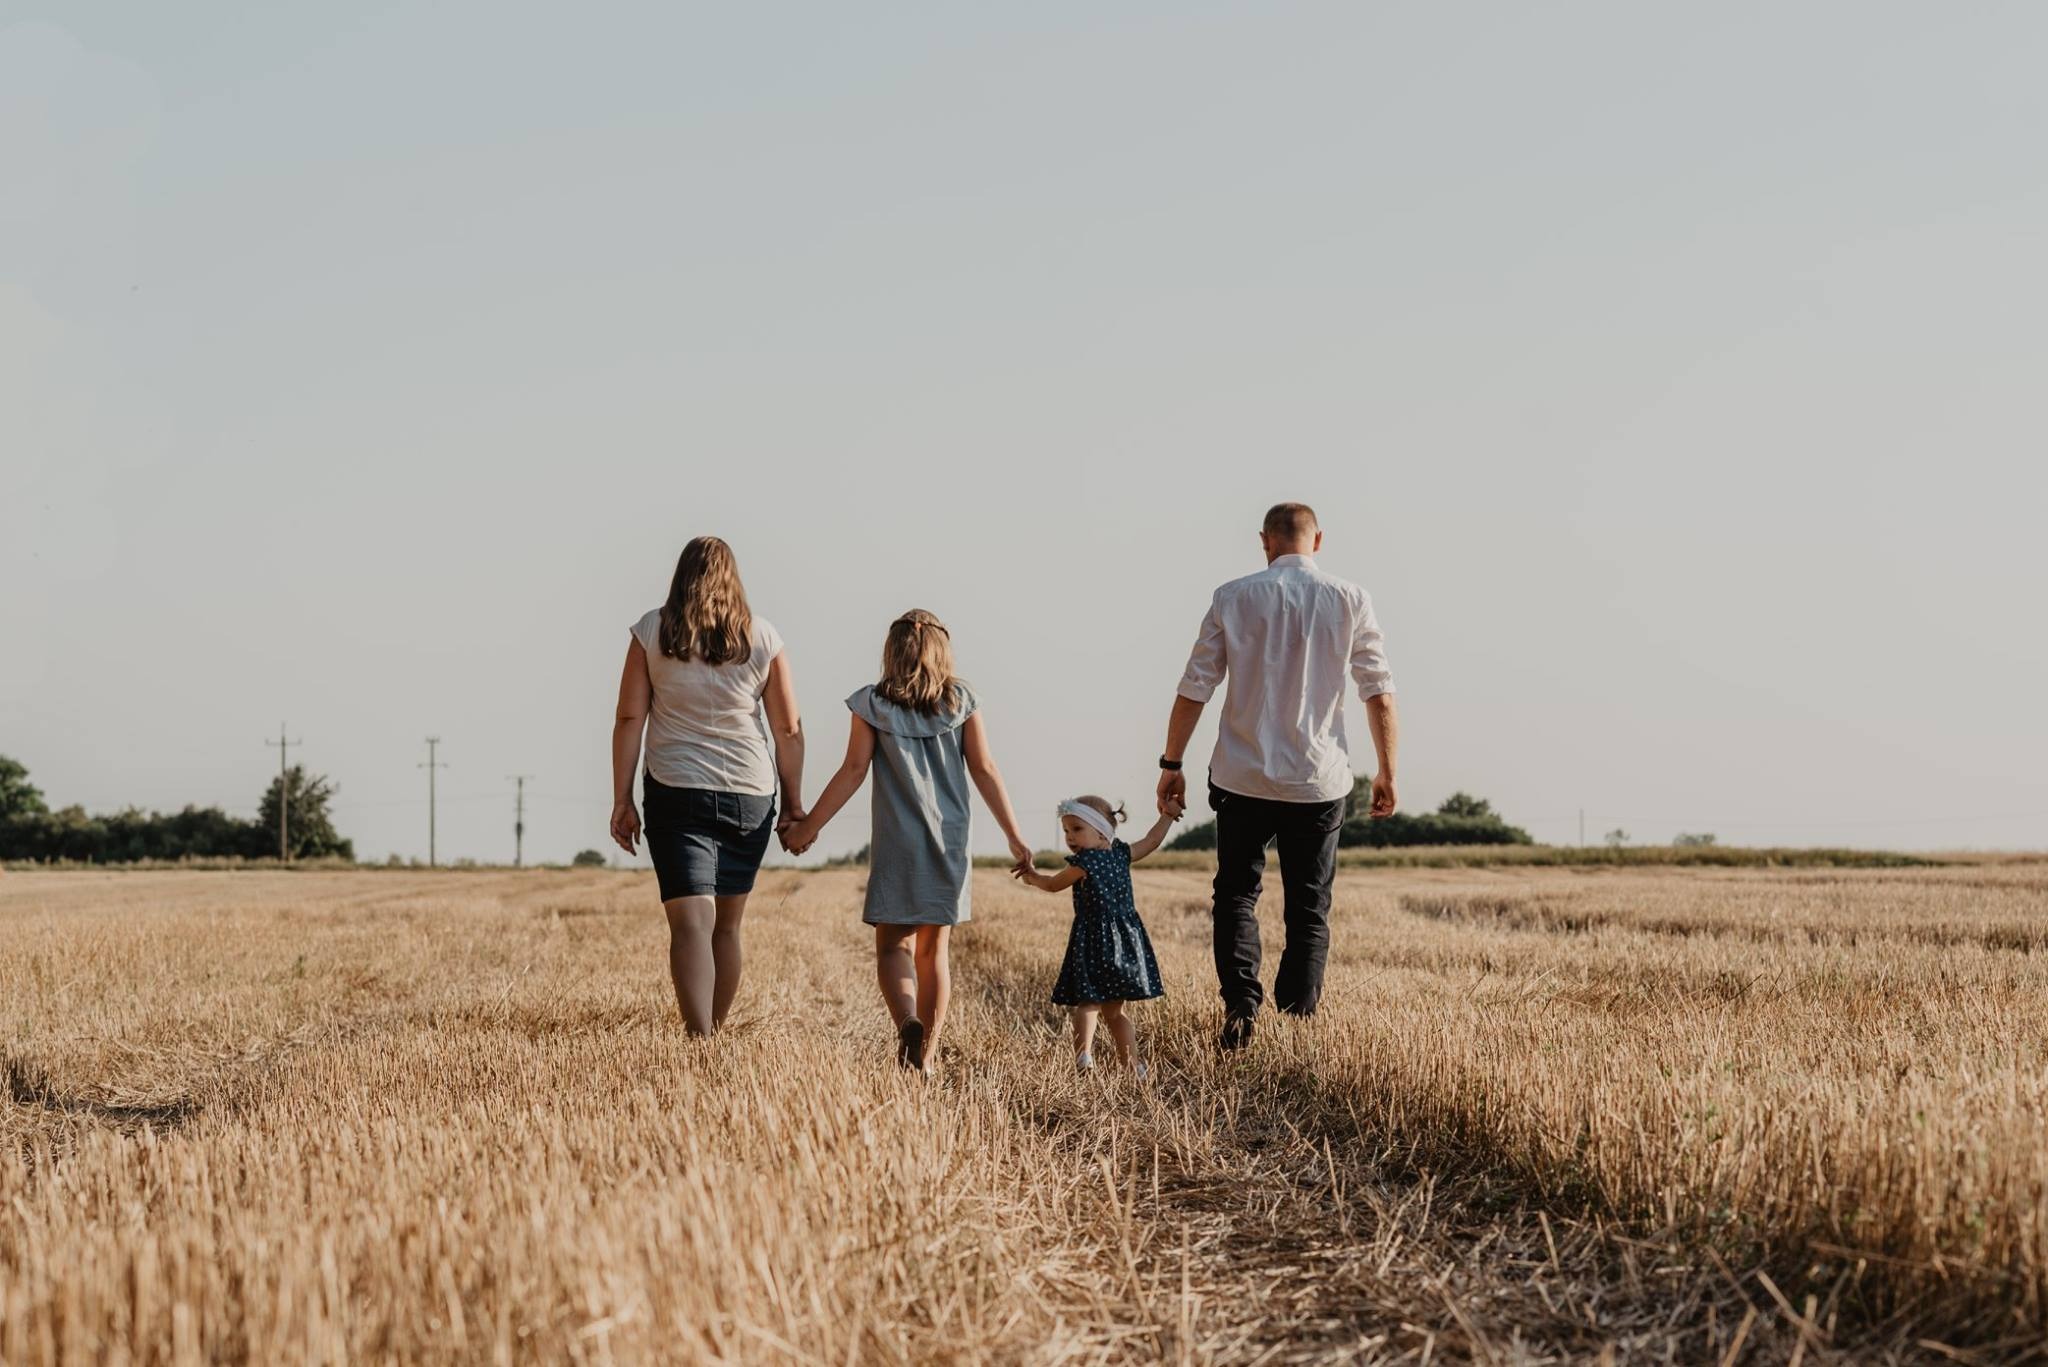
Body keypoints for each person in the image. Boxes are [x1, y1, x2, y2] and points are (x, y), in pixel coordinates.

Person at [1156, 502, 1399, 1050]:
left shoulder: (1232, 596)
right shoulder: (1351, 599)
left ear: (1264, 541)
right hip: (1319, 779)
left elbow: (1195, 686)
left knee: (1237, 895)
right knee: (1309, 906)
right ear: (1318, 542)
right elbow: (1377, 690)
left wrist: (1171, 763)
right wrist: (1387, 769)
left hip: (1242, 775)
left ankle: (1242, 1005)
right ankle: (1297, 1019)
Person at [782, 610, 1033, 1073]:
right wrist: (1015, 837)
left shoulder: (872, 705)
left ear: (891, 652)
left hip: (898, 843)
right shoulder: (962, 703)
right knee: (933, 952)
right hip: (950, 841)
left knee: (893, 946)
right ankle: (928, 1056)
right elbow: (985, 770)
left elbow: (852, 771)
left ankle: (907, 1022)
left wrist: (808, 827)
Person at [610, 536, 805, 1036]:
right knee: (727, 926)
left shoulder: (652, 631)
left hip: (676, 790)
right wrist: (794, 803)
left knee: (690, 925)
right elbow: (787, 730)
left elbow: (631, 716)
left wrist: (622, 798)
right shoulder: (762, 636)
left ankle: (701, 1038)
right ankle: (712, 1032)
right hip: (750, 795)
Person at [1014, 795, 1178, 1074]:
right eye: (1066, 830)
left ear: (1102, 831)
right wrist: (1168, 816)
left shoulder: (1085, 863)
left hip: (1094, 940)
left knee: (1089, 1002)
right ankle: (1133, 1065)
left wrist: (1031, 877)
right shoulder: (1122, 854)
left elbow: (1053, 885)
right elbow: (1152, 841)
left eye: (1077, 829)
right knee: (1115, 1011)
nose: (1069, 837)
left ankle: (1084, 1057)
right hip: (1126, 942)